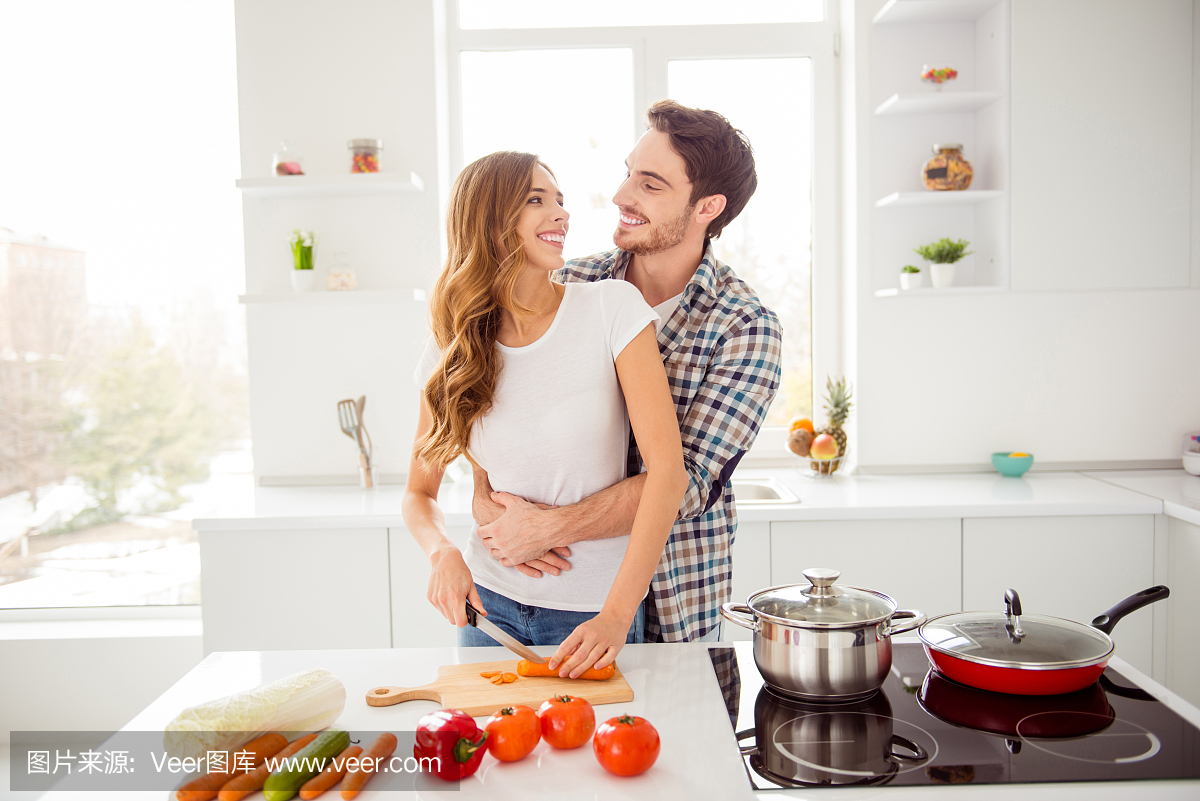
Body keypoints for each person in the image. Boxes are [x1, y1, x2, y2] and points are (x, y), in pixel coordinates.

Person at [472, 100, 783, 645]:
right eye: (627, 173)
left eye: (650, 185)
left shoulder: (745, 329)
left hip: (671, 599)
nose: (621, 196)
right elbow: (496, 402)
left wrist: (546, 528)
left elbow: (684, 485)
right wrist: (483, 491)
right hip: (552, 584)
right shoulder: (573, 282)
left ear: (707, 206)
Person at [402, 151, 688, 678]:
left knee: (592, 760)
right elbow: (419, 494)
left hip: (590, 620)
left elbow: (669, 474)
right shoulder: (451, 347)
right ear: (489, 223)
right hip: (487, 609)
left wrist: (616, 615)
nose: (561, 214)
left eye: (560, 200)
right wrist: (442, 554)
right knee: (491, 759)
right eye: (537, 200)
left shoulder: (610, 308)